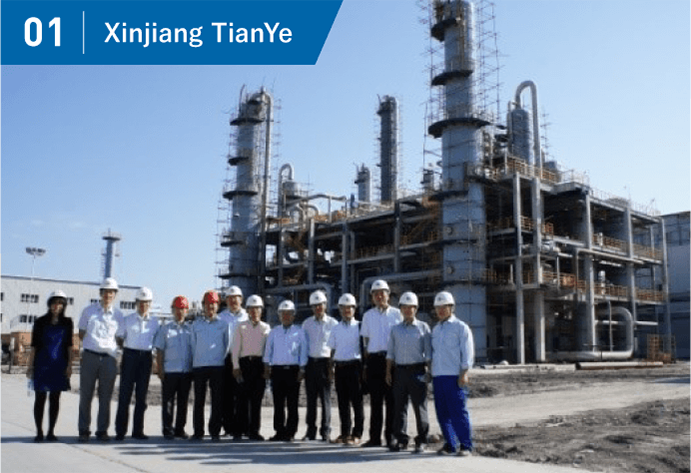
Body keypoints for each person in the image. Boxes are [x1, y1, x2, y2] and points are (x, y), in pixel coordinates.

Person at [78, 277, 124, 442]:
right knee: (86, 396)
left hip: (109, 359)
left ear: (115, 295)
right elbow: (81, 333)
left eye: (111, 292)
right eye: (105, 292)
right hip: (90, 357)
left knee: (105, 397)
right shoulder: (88, 311)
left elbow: (120, 338)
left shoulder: (118, 316)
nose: (108, 295)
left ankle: (102, 430)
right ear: (100, 293)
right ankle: (84, 430)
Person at [385, 291, 432, 453]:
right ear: (400, 309)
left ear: (415, 308)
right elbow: (390, 353)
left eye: (410, 307)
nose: (407, 310)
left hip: (417, 370)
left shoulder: (423, 328)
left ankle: (422, 440)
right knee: (399, 407)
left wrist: (430, 372)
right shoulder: (395, 329)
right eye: (404, 307)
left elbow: (428, 354)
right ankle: (401, 439)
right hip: (399, 371)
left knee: (420, 407)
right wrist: (388, 372)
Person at [431, 291, 475, 456]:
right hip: (438, 376)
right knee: (442, 413)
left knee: (458, 412)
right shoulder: (435, 330)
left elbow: (467, 352)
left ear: (451, 307)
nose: (441, 310)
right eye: (438, 308)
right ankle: (450, 444)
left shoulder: (460, 327)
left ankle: (466, 445)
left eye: (444, 307)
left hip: (454, 376)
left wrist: (464, 372)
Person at [27, 290, 74, 442]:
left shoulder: (67, 323)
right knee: (40, 399)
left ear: (64, 306)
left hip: (59, 365)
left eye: (60, 303)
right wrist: (30, 366)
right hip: (42, 365)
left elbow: (69, 346)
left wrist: (70, 365)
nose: (56, 306)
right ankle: (39, 432)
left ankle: (51, 432)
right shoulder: (40, 322)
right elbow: (34, 346)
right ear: (49, 304)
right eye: (54, 303)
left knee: (55, 399)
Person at [360, 279, 402, 448]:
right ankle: (374, 438)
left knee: (391, 401)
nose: (379, 297)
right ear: (372, 297)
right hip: (374, 361)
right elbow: (366, 342)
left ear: (388, 295)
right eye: (375, 294)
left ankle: (390, 437)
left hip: (392, 361)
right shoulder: (367, 316)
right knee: (375, 401)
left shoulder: (397, 314)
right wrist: (365, 365)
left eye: (382, 293)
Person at [115, 287, 160, 441]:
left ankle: (138, 430)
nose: (143, 305)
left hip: (146, 358)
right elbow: (119, 338)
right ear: (136, 303)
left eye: (146, 302)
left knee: (142, 396)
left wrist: (154, 359)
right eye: (140, 302)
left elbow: (157, 342)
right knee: (124, 395)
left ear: (150, 304)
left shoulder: (155, 322)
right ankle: (120, 431)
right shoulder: (127, 320)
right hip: (130, 356)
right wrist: (126, 352)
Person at [263, 300, 307, 442]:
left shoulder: (299, 332)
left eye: (289, 313)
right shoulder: (274, 332)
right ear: (279, 315)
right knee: (278, 403)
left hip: (293, 371)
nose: (286, 316)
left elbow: (303, 352)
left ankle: (290, 432)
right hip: (277, 371)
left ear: (294, 315)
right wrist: (267, 367)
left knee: (292, 403)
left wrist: (302, 369)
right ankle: (279, 431)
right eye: (283, 313)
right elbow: (268, 351)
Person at [190, 290, 230, 441]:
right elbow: (192, 344)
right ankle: (198, 431)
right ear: (203, 305)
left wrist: (219, 358)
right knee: (198, 400)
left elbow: (226, 345)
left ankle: (215, 431)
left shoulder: (223, 324)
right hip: (199, 366)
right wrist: (197, 359)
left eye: (213, 304)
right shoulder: (196, 324)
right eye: (207, 304)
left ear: (218, 306)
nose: (210, 307)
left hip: (217, 366)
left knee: (217, 400)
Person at [231, 294, 270, 441]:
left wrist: (267, 368)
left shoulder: (266, 328)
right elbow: (235, 348)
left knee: (256, 400)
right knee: (241, 399)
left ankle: (254, 431)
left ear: (261, 310)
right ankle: (239, 431)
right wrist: (235, 366)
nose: (254, 312)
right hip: (244, 365)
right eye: (251, 309)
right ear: (247, 310)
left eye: (257, 309)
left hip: (259, 365)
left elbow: (268, 350)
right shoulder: (241, 326)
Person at [153, 295, 193, 440]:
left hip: (185, 371)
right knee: (168, 402)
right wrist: (160, 369)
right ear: (172, 310)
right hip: (170, 371)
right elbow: (160, 350)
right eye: (177, 309)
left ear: (187, 311)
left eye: (182, 309)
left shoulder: (190, 330)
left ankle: (180, 429)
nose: (180, 312)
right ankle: (167, 429)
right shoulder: (165, 329)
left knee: (183, 402)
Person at [327, 293, 364, 446]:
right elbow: (332, 350)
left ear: (354, 309)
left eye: (349, 307)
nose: (346, 310)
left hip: (355, 367)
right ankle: (345, 433)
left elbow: (365, 348)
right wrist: (330, 368)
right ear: (340, 309)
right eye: (343, 308)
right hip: (340, 368)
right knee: (342, 403)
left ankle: (357, 434)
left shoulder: (360, 326)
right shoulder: (335, 328)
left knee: (357, 403)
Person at [301, 290, 337, 441]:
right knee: (311, 400)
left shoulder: (333, 324)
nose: (317, 308)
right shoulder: (306, 324)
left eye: (320, 305)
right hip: (311, 363)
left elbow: (335, 347)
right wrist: (302, 367)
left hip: (325, 364)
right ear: (311, 307)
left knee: (325, 399)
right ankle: (310, 431)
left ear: (325, 305)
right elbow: (303, 346)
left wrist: (332, 366)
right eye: (314, 306)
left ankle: (326, 431)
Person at [217, 285, 248, 439]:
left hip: (242, 359)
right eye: (230, 298)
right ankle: (228, 427)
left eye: (235, 298)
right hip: (226, 359)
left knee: (241, 395)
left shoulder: (247, 316)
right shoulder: (221, 317)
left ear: (241, 299)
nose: (233, 301)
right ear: (226, 301)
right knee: (226, 395)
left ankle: (241, 428)